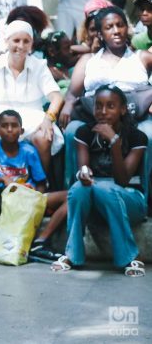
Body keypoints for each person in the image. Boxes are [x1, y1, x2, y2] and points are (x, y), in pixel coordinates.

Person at [52, 85, 147, 277]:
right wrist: (84, 174)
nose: (103, 112)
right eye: (99, 106)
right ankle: (72, 254)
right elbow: (83, 168)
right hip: (97, 199)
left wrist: (114, 143)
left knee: (105, 189)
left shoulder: (137, 136)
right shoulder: (85, 132)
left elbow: (122, 180)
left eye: (110, 106)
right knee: (79, 188)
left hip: (131, 200)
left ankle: (128, 257)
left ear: (122, 110)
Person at [60, 6, 152, 189]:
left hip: (134, 117)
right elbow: (72, 93)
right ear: (100, 34)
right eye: (109, 27)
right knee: (71, 131)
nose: (116, 31)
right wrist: (67, 106)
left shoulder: (141, 58)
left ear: (127, 29)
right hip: (94, 116)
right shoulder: (89, 60)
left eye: (120, 25)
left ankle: (147, 195)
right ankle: (73, 190)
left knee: (149, 134)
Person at [0, 110, 67, 263]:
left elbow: (40, 183)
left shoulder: (29, 151)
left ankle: (40, 242)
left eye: (14, 126)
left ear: (22, 130)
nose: (10, 129)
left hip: (26, 200)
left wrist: (35, 198)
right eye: (5, 126)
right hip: (2, 198)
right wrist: (1, 179)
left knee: (70, 196)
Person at [0, 20, 64, 174]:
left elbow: (57, 97)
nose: (21, 46)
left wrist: (48, 119)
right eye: (16, 40)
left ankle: (40, 185)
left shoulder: (39, 66)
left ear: (31, 44)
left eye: (26, 41)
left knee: (43, 138)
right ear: (7, 42)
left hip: (32, 117)